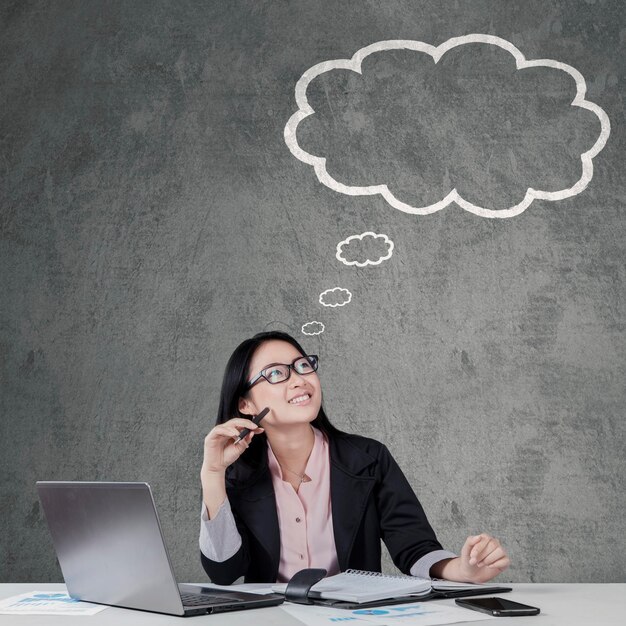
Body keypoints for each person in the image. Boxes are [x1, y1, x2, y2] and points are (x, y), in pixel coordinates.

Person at [199, 331, 510, 584]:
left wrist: (462, 569)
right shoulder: (235, 475)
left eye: (303, 365)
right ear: (246, 404)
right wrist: (213, 474)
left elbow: (414, 548)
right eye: (277, 373)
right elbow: (224, 572)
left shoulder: (368, 459)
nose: (299, 379)